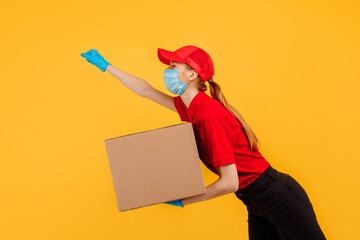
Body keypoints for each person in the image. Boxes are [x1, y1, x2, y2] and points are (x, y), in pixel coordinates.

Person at [80, 45, 327, 240]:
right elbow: (147, 91)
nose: (168, 70)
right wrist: (106, 66)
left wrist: (183, 200)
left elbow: (229, 182)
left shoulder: (208, 115)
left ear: (191, 74)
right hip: (255, 201)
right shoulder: (189, 107)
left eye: (173, 65)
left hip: (276, 196)